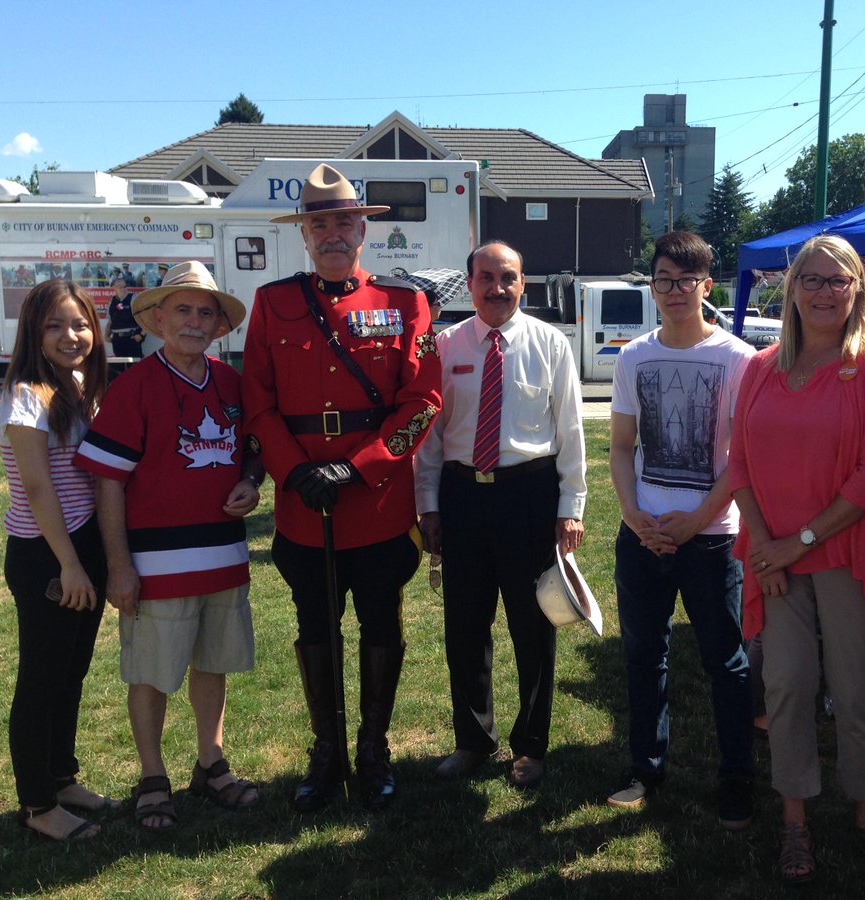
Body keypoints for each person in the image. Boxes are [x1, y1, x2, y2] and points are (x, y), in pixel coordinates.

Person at [241, 163, 442, 812]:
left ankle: (373, 750)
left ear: (363, 229)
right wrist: (293, 469)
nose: (332, 232)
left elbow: (422, 401)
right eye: (318, 223)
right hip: (304, 505)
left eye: (342, 221)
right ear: (304, 234)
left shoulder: (403, 304)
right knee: (315, 628)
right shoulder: (274, 303)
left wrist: (359, 468)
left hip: (376, 505)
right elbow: (257, 399)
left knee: (382, 623)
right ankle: (325, 752)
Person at [728, 234, 865, 884]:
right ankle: (794, 822)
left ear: (858, 287)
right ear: (792, 287)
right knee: (785, 689)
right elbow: (739, 465)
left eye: (838, 280)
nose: (824, 291)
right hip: (775, 565)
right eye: (812, 278)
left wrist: (798, 543)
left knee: (858, 688)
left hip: (844, 556)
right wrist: (764, 548)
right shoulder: (761, 366)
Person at [75, 261, 262, 831]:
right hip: (156, 564)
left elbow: (253, 446)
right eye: (183, 309)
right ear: (157, 319)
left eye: (206, 312)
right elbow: (108, 481)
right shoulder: (134, 387)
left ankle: (211, 761)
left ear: (220, 326)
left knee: (214, 664)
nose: (195, 320)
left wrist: (252, 482)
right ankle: (152, 775)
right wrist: (117, 566)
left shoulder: (231, 383)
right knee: (152, 673)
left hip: (225, 557)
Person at [415, 240, 587, 789]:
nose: (496, 288)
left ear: (524, 283)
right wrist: (429, 505)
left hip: (529, 497)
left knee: (533, 626)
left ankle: (531, 746)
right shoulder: (444, 347)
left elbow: (573, 434)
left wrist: (570, 507)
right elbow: (431, 440)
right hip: (464, 497)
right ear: (469, 284)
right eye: (486, 277)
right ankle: (473, 742)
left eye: (507, 277)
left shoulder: (551, 344)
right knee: (464, 626)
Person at [605, 231, 756, 827]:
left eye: (685, 281)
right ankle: (646, 767)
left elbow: (743, 458)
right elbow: (621, 447)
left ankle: (737, 778)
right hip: (642, 535)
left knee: (726, 660)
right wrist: (631, 514)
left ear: (705, 286)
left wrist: (697, 520)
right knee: (644, 655)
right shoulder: (633, 356)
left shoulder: (739, 359)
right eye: (663, 279)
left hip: (713, 535)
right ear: (652, 285)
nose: (673, 291)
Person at [0, 280, 111, 842]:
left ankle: (61, 777)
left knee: (72, 672)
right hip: (47, 553)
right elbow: (38, 489)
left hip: (80, 546)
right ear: (32, 334)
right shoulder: (26, 394)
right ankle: (38, 805)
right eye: (54, 326)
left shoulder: (73, 385)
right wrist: (69, 565)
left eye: (80, 323)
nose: (71, 336)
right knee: (42, 678)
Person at [106, 277, 145, 359]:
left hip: (132, 339)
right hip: (117, 340)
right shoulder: (111, 302)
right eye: (120, 287)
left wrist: (141, 335)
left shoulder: (133, 298)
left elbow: (144, 319)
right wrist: (106, 336)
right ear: (114, 288)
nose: (123, 289)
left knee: (135, 369)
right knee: (119, 369)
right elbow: (110, 322)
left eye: (124, 286)